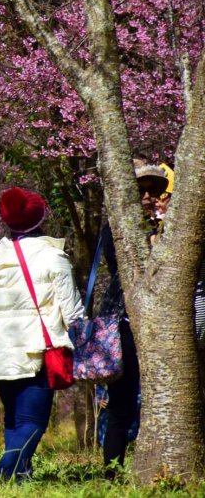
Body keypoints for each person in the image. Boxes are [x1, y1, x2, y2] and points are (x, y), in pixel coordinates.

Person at [0, 187, 85, 481]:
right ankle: (5, 473)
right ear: (40, 219)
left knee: (13, 417)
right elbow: (72, 309)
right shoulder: (53, 257)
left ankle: (19, 476)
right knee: (33, 421)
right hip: (37, 347)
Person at [96, 161, 168, 472]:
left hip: (163, 323)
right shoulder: (114, 230)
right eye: (140, 191)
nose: (148, 197)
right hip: (123, 323)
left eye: (153, 191)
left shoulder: (167, 229)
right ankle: (112, 470)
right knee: (121, 403)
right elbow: (127, 265)